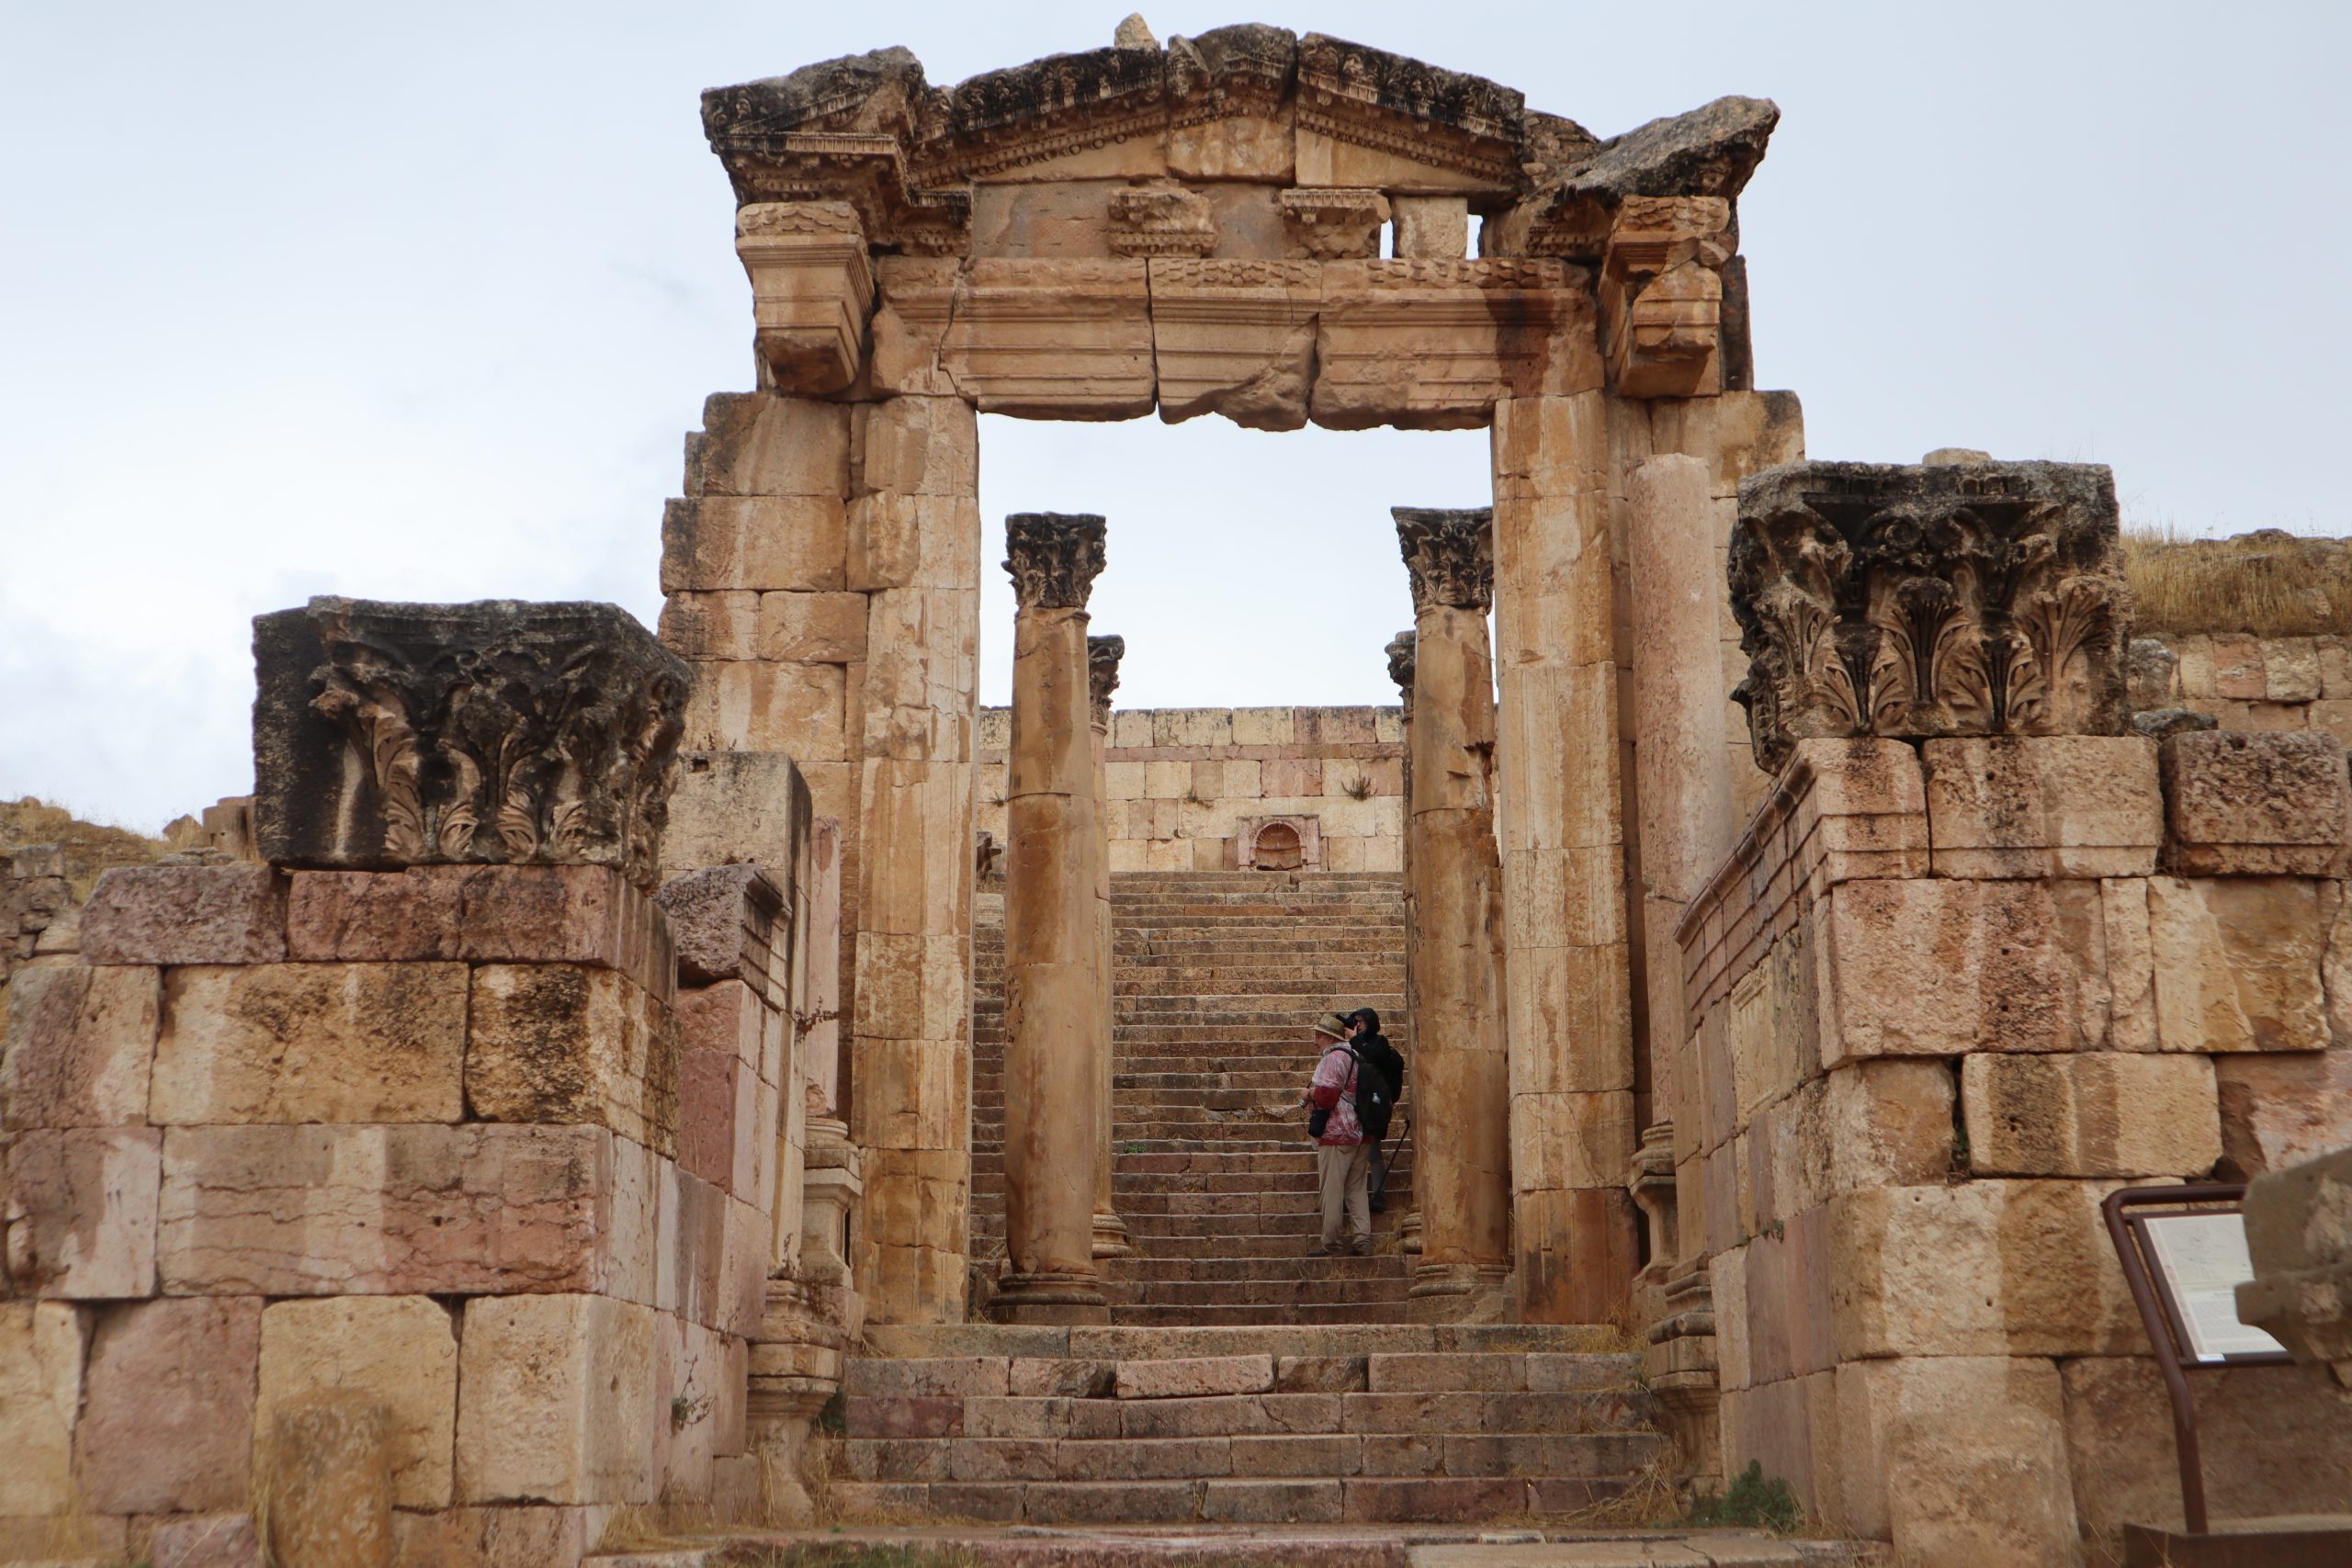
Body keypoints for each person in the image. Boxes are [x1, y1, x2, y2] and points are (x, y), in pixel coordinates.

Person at [1303, 1010, 1372, 1257]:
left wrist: (1308, 1094)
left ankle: (1330, 1241)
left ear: (1330, 1037)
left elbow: (1328, 1096)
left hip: (1336, 1132)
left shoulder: (1333, 1059)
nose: (1315, 1040)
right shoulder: (1355, 1055)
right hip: (1358, 1131)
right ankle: (1362, 1239)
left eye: (1319, 1035)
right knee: (1356, 1188)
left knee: (1332, 1189)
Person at [1344, 1008, 1404, 1208]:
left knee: (1374, 1153)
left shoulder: (1379, 1042)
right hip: (1355, 1102)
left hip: (1372, 1105)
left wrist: (1353, 1039)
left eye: (1362, 1021)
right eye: (1356, 1021)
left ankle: (1378, 1195)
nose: (1358, 1025)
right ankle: (1351, 1198)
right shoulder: (1352, 1044)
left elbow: (1371, 1056)